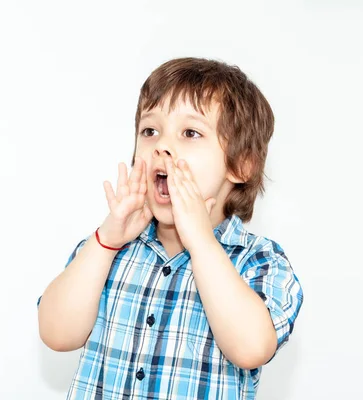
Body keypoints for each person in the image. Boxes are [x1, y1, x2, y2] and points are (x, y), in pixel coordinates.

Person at [37, 57, 304, 399]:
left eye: (190, 133)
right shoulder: (107, 250)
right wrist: (106, 241)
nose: (161, 145)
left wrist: (202, 243)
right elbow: (56, 333)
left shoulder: (259, 261)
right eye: (150, 131)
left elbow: (252, 347)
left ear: (240, 165)